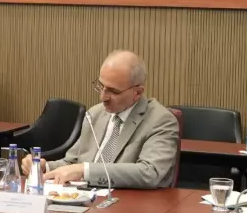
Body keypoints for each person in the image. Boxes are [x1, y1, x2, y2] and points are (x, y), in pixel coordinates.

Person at [25, 50, 179, 190]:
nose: (103, 97)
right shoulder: (95, 114)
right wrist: (44, 167)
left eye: (113, 91)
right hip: (84, 199)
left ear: (137, 93)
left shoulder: (160, 120)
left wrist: (85, 171)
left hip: (127, 204)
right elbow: (72, 162)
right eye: (101, 86)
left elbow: (150, 173)